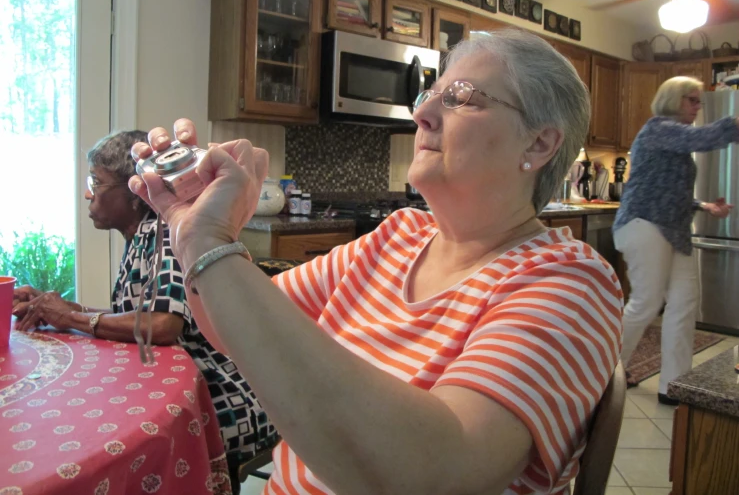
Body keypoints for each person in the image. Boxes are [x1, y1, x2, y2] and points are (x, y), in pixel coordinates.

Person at [130, 29, 622, 495]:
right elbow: (234, 331)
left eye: (461, 97)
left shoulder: (569, 282)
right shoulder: (397, 236)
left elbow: (435, 475)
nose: (423, 112)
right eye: (430, 95)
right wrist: (193, 230)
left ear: (538, 143)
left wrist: (213, 244)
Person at [12, 130, 277, 494]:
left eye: (97, 183)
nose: (88, 193)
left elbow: (163, 324)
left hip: (220, 401)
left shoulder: (165, 233)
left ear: (136, 195)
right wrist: (57, 307)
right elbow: (142, 313)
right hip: (200, 391)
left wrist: (71, 319)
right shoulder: (141, 237)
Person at [613, 76, 739, 404]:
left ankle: (674, 385)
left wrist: (704, 206)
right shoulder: (658, 128)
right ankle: (604, 374)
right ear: (673, 100)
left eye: (699, 101)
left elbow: (670, 189)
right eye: (692, 100)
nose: (698, 107)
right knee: (646, 302)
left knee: (684, 303)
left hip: (674, 229)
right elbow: (706, 137)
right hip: (644, 224)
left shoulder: (674, 139)